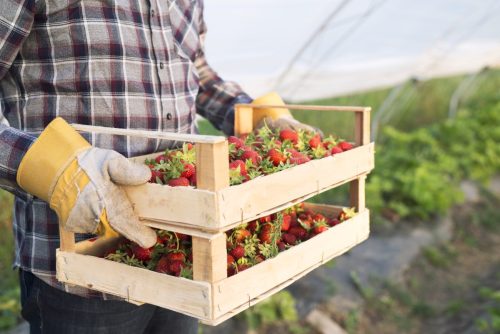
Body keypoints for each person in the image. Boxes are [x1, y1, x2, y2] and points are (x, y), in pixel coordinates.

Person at [0, 1, 317, 333]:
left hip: (180, 252)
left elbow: (197, 72)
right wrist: (54, 172)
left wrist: (257, 116)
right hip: (81, 269)